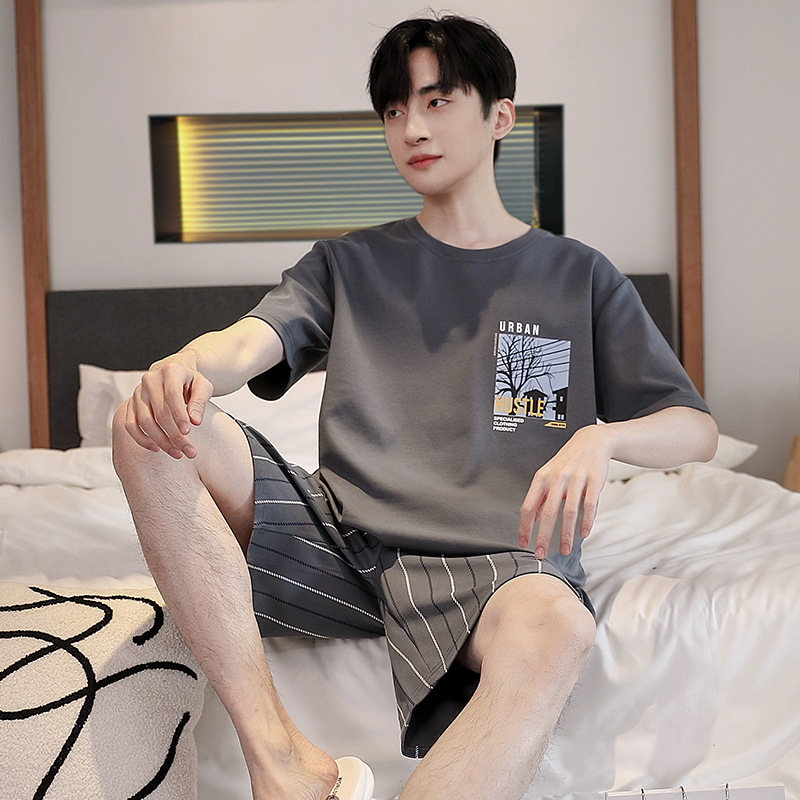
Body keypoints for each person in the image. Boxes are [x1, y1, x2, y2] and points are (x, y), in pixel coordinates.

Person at [112, 14, 718, 800]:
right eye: (395, 110)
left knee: (560, 625)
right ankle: (281, 760)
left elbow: (695, 430)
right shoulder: (348, 264)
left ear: (500, 116)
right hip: (338, 540)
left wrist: (602, 439)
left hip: (501, 561)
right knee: (146, 428)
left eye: (436, 101)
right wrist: (187, 366)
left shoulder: (578, 277)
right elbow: (243, 343)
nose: (412, 128)